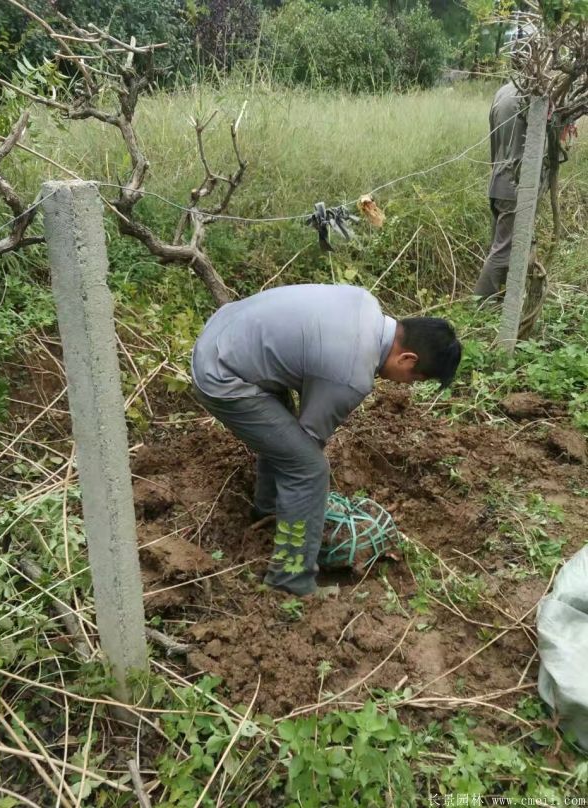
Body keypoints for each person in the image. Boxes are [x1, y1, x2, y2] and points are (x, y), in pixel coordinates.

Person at [191, 283, 462, 597]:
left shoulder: (364, 303)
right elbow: (307, 448)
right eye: (415, 379)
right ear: (407, 359)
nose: (408, 385)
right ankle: (290, 581)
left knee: (288, 442)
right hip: (221, 374)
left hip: (224, 333)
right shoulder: (352, 373)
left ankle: (269, 512)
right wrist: (308, 505)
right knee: (308, 469)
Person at [474, 81, 538, 301]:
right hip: (515, 186)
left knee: (498, 245)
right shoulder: (534, 95)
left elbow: (494, 140)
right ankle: (481, 304)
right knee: (503, 252)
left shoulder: (503, 92)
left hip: (498, 180)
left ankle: (502, 300)